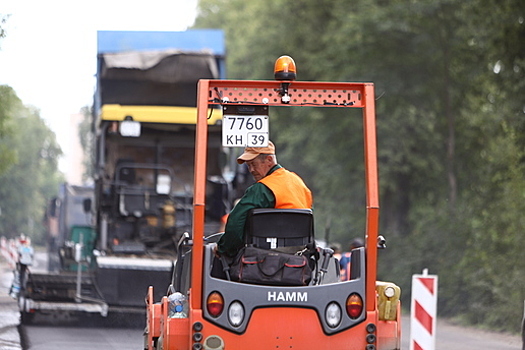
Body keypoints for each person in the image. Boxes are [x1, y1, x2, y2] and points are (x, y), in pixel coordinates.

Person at [215, 141, 313, 257]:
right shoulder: (299, 183)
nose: (251, 170)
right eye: (248, 165)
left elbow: (235, 224)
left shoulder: (261, 189)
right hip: (299, 256)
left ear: (269, 160)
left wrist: (223, 249)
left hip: (265, 258)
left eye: (254, 164)